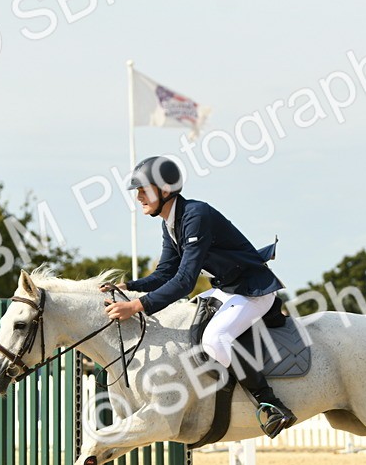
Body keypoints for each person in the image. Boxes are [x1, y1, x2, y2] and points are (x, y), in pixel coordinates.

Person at [102, 156, 295, 437]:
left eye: (144, 189)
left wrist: (136, 306)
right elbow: (166, 272)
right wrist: (128, 286)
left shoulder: (196, 215)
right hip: (229, 288)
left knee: (215, 340)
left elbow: (184, 281)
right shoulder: (171, 221)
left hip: (252, 290)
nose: (139, 197)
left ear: (165, 190)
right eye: (138, 191)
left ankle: (270, 403)